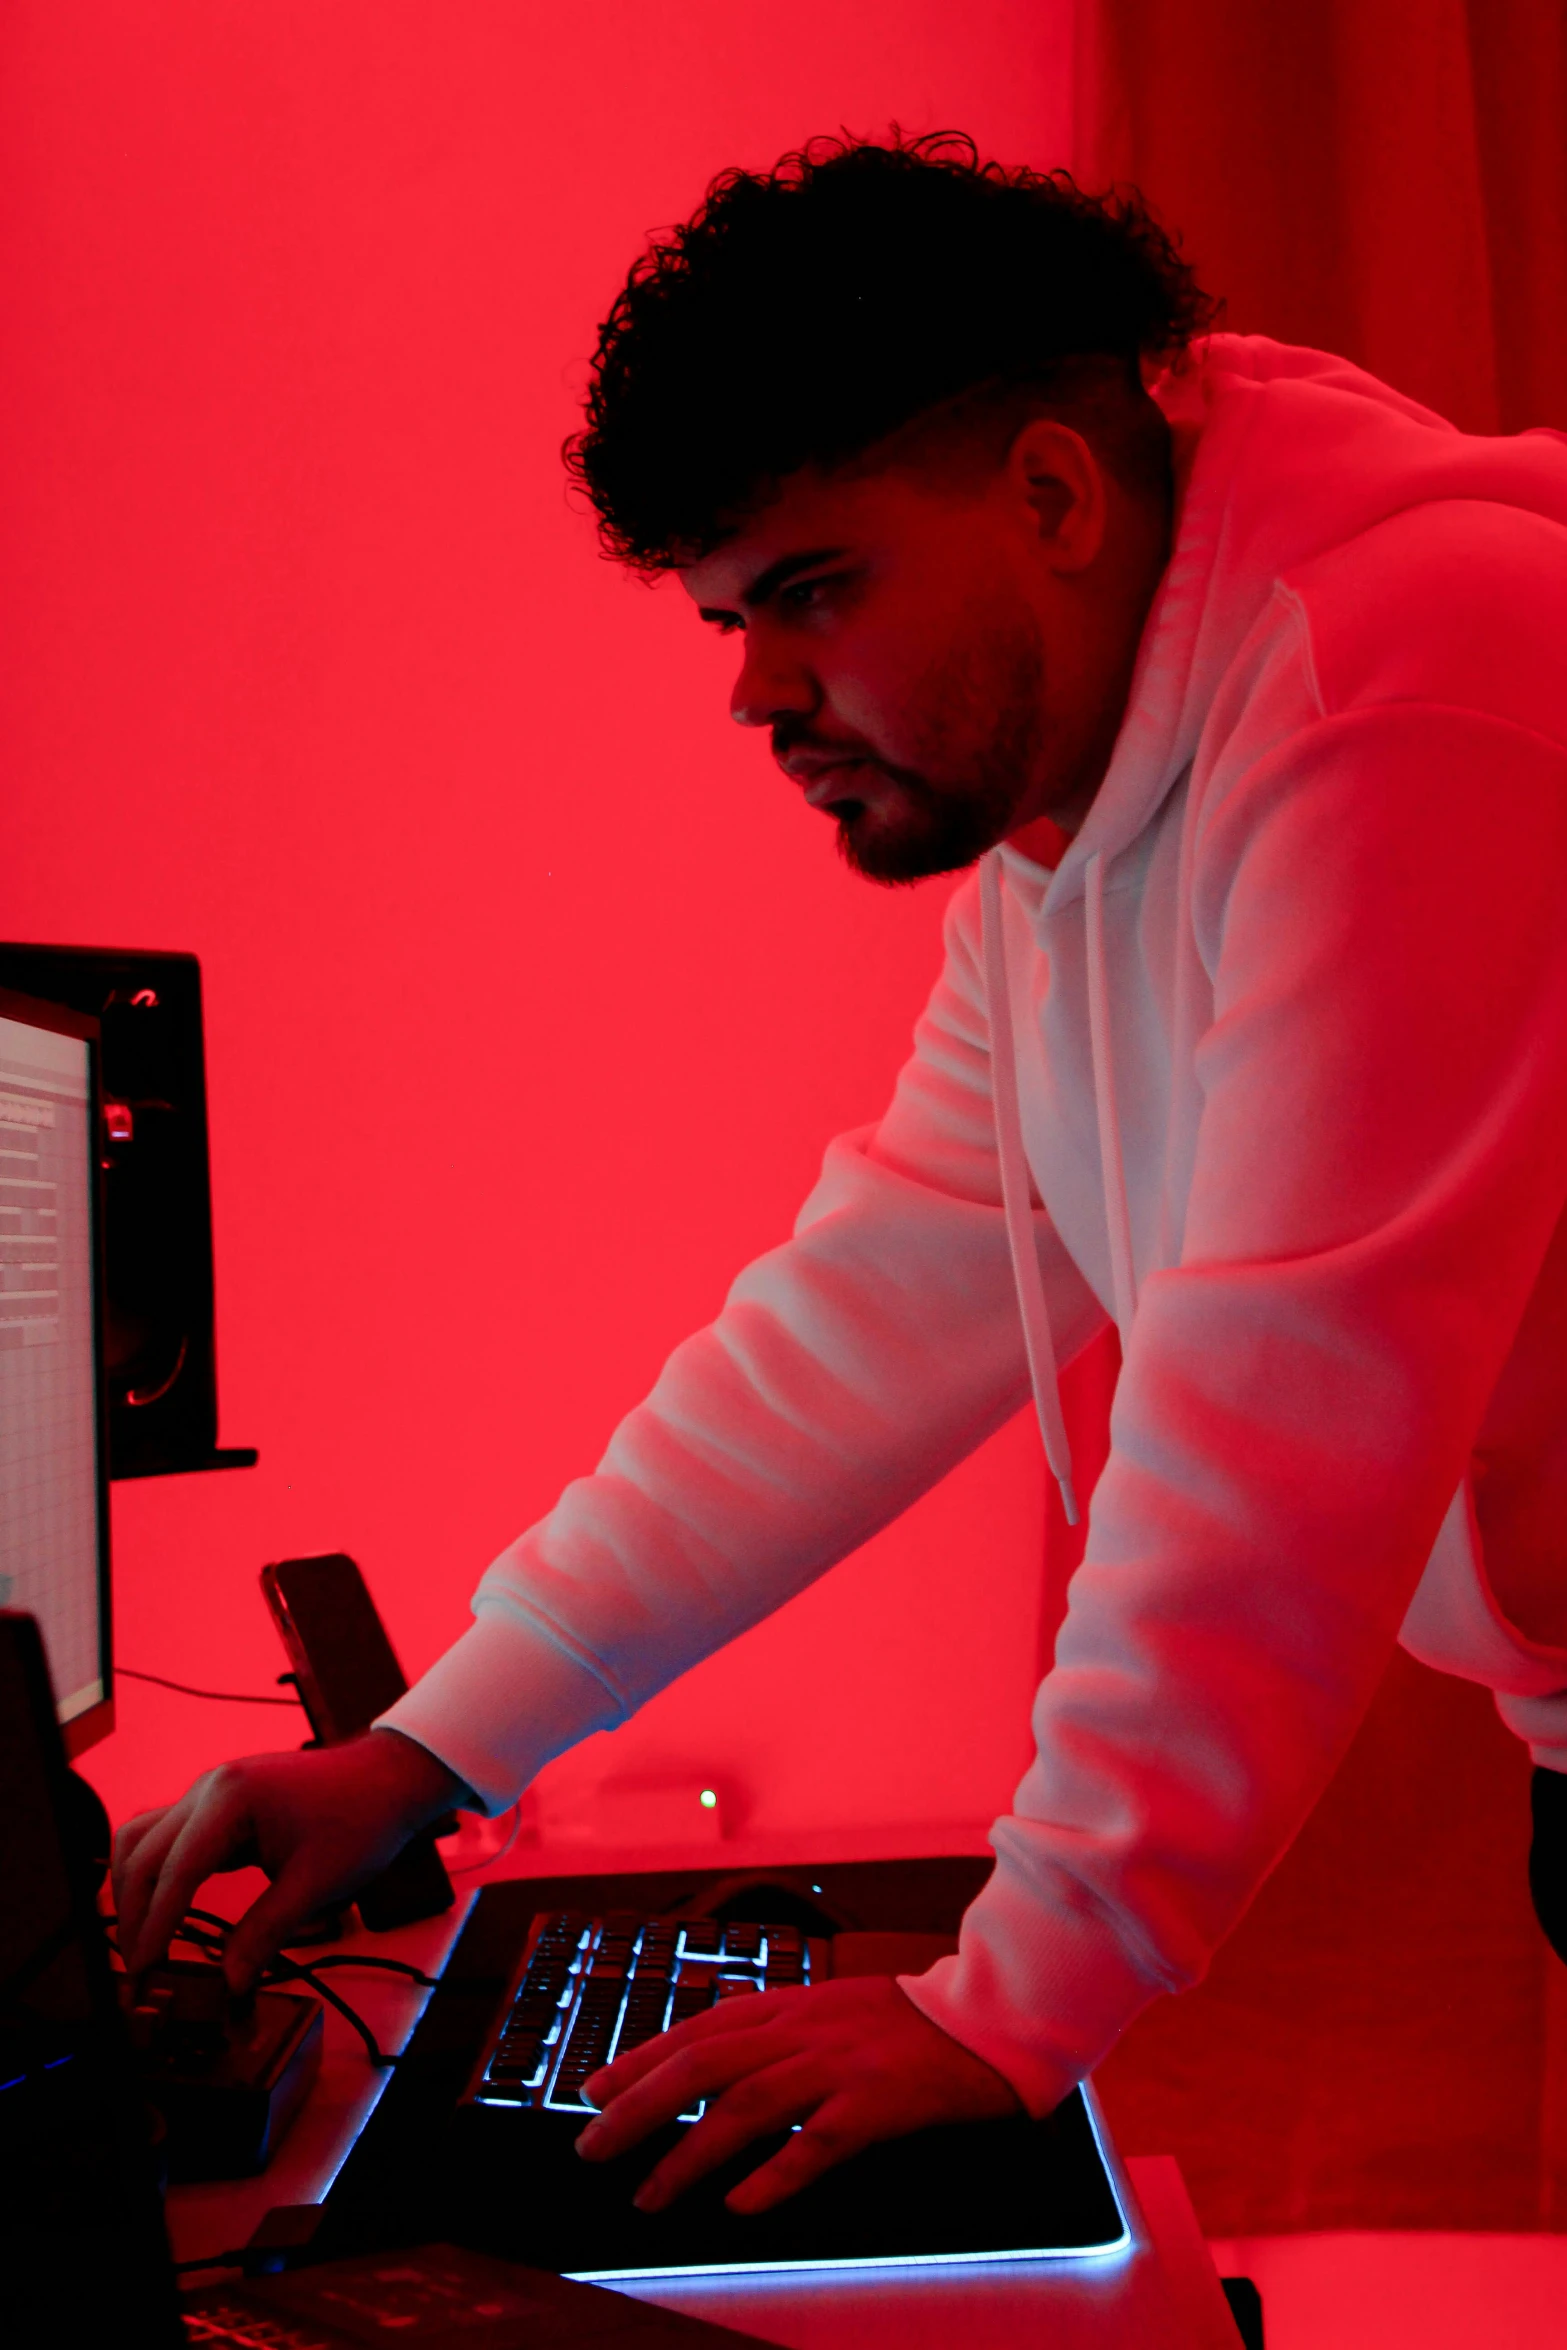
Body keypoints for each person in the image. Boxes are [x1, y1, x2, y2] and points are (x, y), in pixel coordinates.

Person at [114, 132, 1567, 2220]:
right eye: (728, 616)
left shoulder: (1398, 678)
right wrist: (433, 1745)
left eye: (813, 591)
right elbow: (869, 1308)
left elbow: (1281, 1400)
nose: (757, 693)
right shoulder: (1091, 801)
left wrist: (1017, 1990)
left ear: (1055, 493)